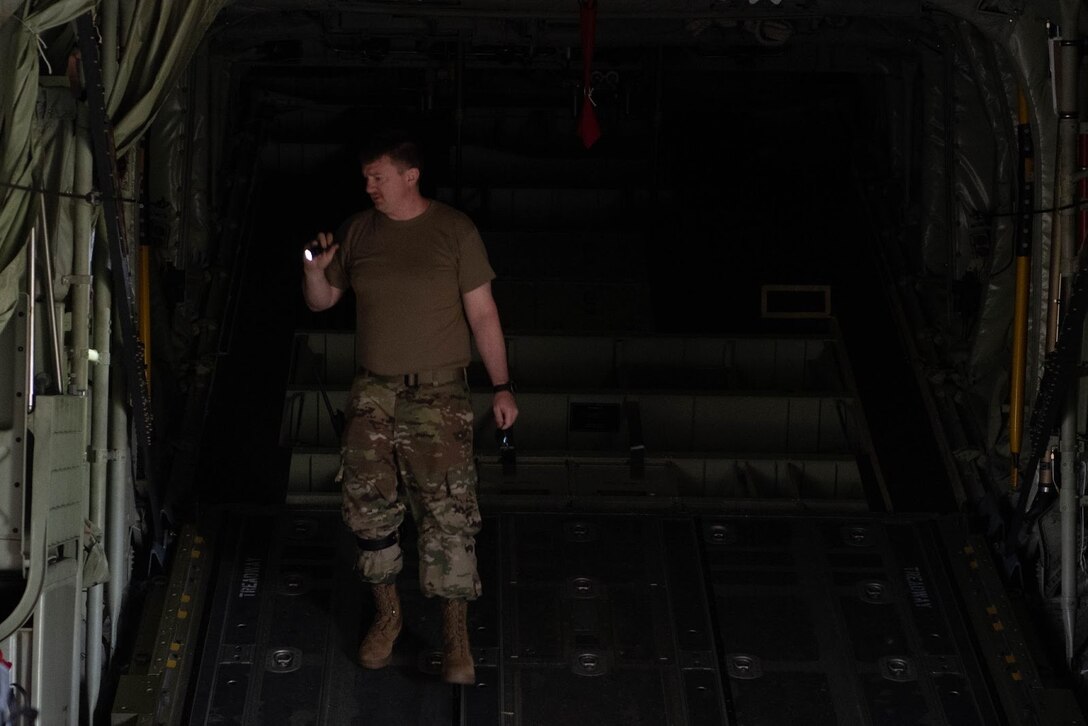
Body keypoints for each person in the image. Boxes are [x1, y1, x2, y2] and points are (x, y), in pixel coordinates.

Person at [301, 130, 518, 685]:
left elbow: (484, 314)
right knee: (368, 508)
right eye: (366, 177)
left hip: (438, 394)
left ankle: (455, 635)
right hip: (373, 391)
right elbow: (324, 300)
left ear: (409, 175)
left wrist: (501, 385)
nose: (369, 186)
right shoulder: (357, 231)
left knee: (447, 511)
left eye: (378, 176)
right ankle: (388, 616)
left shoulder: (453, 231)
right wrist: (314, 271)